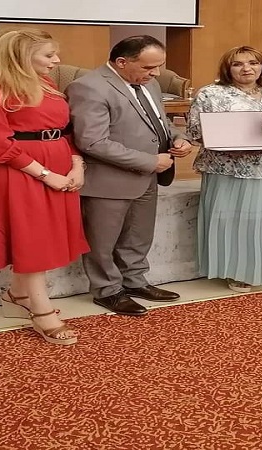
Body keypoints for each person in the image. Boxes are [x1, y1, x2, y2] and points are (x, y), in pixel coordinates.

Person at [0, 29, 89, 344]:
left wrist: (76, 164)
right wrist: (46, 174)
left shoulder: (45, 83)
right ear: (20, 55)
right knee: (32, 236)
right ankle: (40, 308)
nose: (57, 61)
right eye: (49, 55)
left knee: (43, 233)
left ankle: (17, 296)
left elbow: (64, 130)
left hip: (57, 163)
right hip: (16, 169)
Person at [66, 35, 193, 316]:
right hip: (109, 181)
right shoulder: (89, 87)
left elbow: (159, 121)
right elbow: (93, 141)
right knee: (102, 242)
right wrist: (150, 161)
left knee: (139, 235)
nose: (156, 73)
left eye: (159, 66)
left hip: (148, 176)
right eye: (148, 67)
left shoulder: (150, 84)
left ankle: (134, 281)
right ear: (122, 62)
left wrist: (178, 138)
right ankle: (107, 290)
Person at [187, 46, 262, 293]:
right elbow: (194, 131)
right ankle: (237, 271)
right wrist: (226, 138)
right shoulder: (211, 93)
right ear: (227, 68)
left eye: (253, 63)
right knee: (231, 218)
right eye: (238, 64)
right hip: (227, 166)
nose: (247, 69)